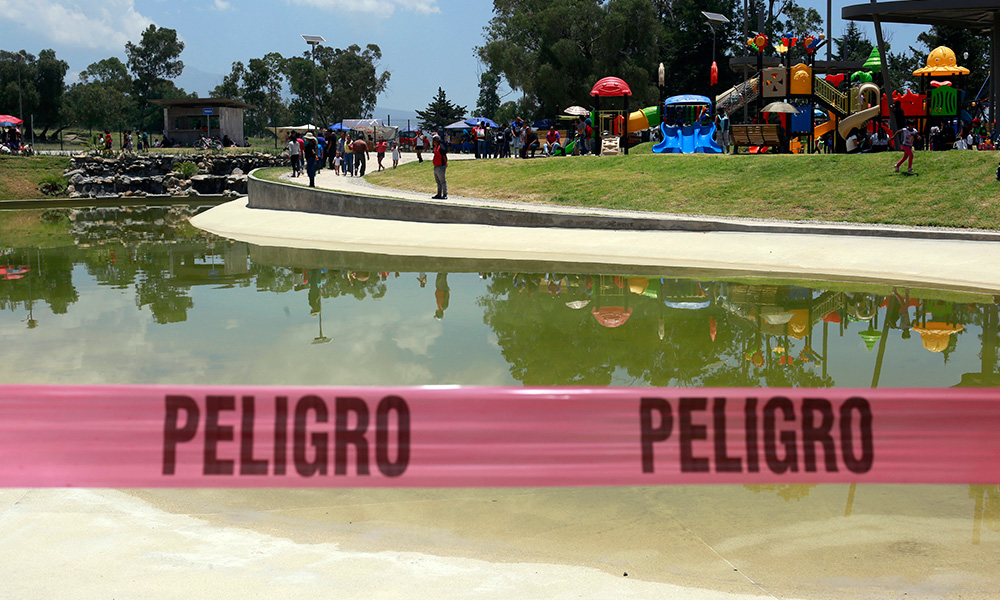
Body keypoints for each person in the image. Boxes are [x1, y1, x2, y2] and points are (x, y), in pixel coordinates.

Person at [431, 133, 447, 199]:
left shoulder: (441, 147)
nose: (433, 142)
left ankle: (445, 194)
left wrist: (445, 163)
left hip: (441, 166)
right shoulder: (435, 147)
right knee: (438, 181)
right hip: (436, 166)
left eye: (434, 140)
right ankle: (439, 194)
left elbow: (444, 157)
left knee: (442, 181)